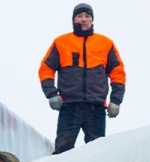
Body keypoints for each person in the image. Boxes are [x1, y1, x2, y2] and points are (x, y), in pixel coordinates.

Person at [39, 3, 126, 154]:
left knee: (97, 151)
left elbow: (118, 72)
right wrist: (51, 94)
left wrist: (116, 100)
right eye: (79, 16)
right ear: (73, 20)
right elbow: (46, 68)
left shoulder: (105, 43)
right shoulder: (61, 42)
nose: (83, 19)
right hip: (69, 106)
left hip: (96, 107)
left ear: (92, 20)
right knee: (63, 149)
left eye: (87, 16)